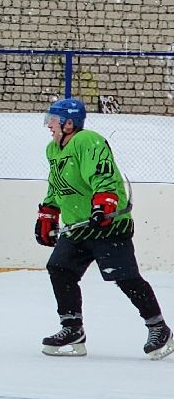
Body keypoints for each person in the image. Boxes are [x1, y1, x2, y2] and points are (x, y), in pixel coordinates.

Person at [35, 97, 171, 359]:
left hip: (107, 226)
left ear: (69, 123)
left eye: (53, 120)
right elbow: (57, 184)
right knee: (60, 268)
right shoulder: (53, 149)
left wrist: (105, 203)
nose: (48, 125)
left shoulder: (88, 141)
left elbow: (103, 173)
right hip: (78, 226)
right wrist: (49, 213)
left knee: (125, 278)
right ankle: (72, 328)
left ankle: (159, 328)